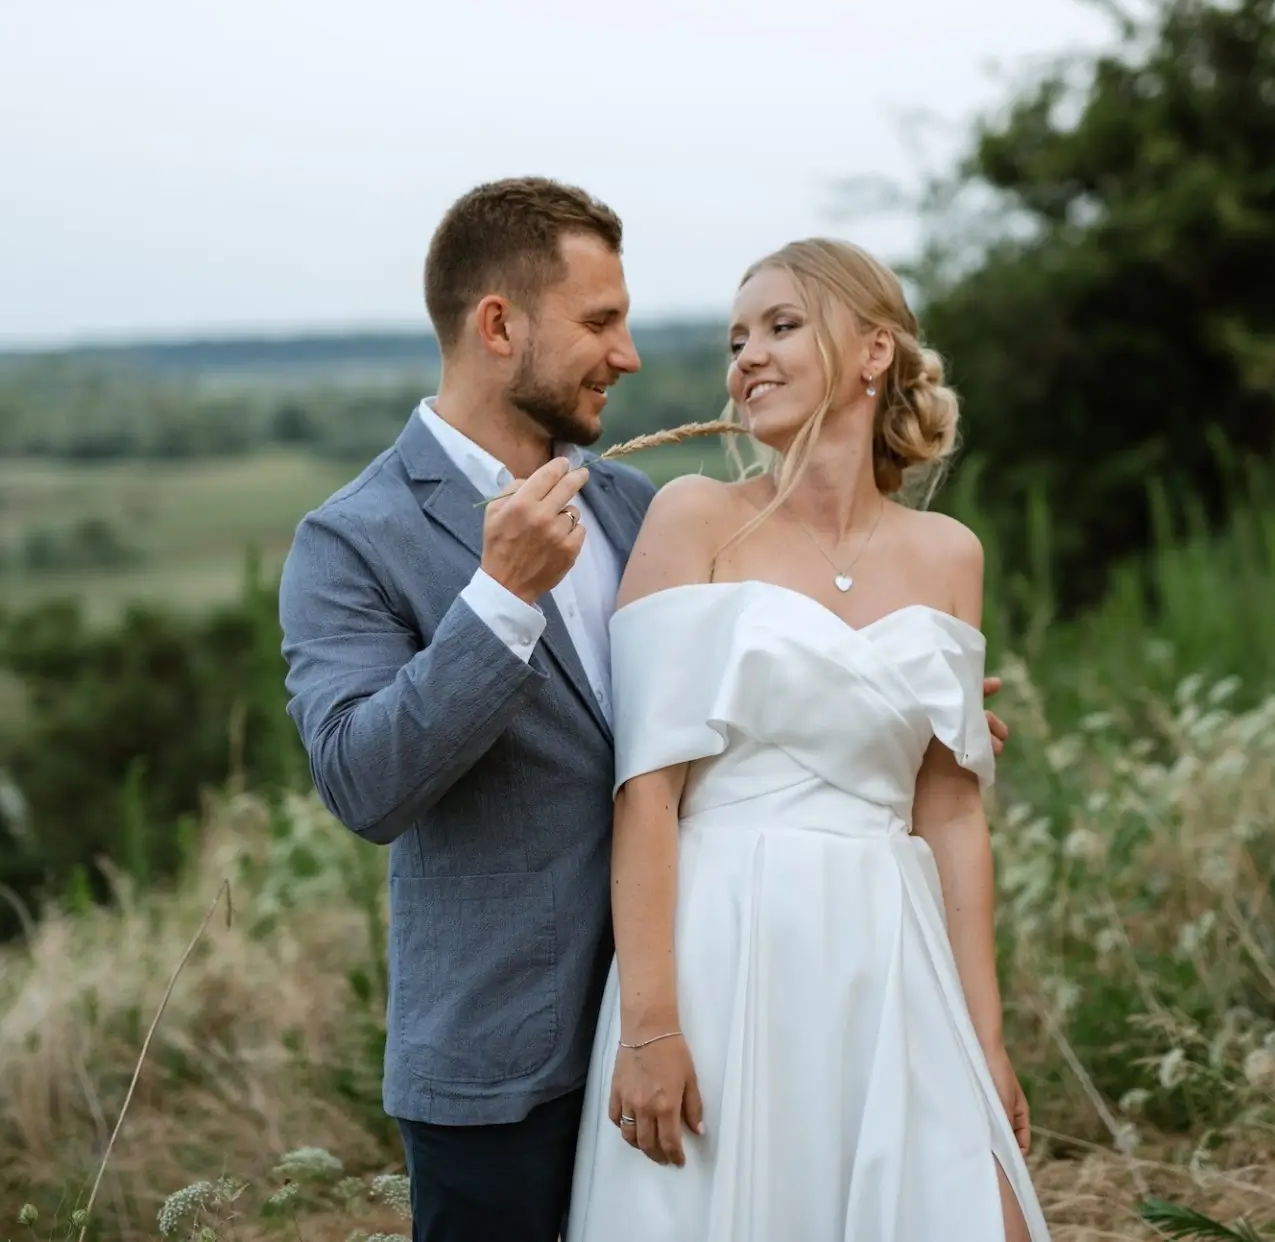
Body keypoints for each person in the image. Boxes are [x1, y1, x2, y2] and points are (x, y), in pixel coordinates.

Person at [277, 178, 1011, 1242]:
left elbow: (726, 707)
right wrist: (498, 599)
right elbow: (362, 780)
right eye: (600, 323)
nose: (626, 355)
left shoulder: (640, 505)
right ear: (498, 326)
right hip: (511, 1053)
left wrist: (875, 711)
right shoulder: (351, 538)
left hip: (727, 1000)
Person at [564, 238, 1051, 1241]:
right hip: (726, 942)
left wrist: (986, 1038)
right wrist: (652, 1023)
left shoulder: (949, 553)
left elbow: (952, 810)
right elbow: (646, 791)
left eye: (782, 326)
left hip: (891, 949)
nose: (748, 356)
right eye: (737, 338)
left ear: (874, 352)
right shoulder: (694, 517)